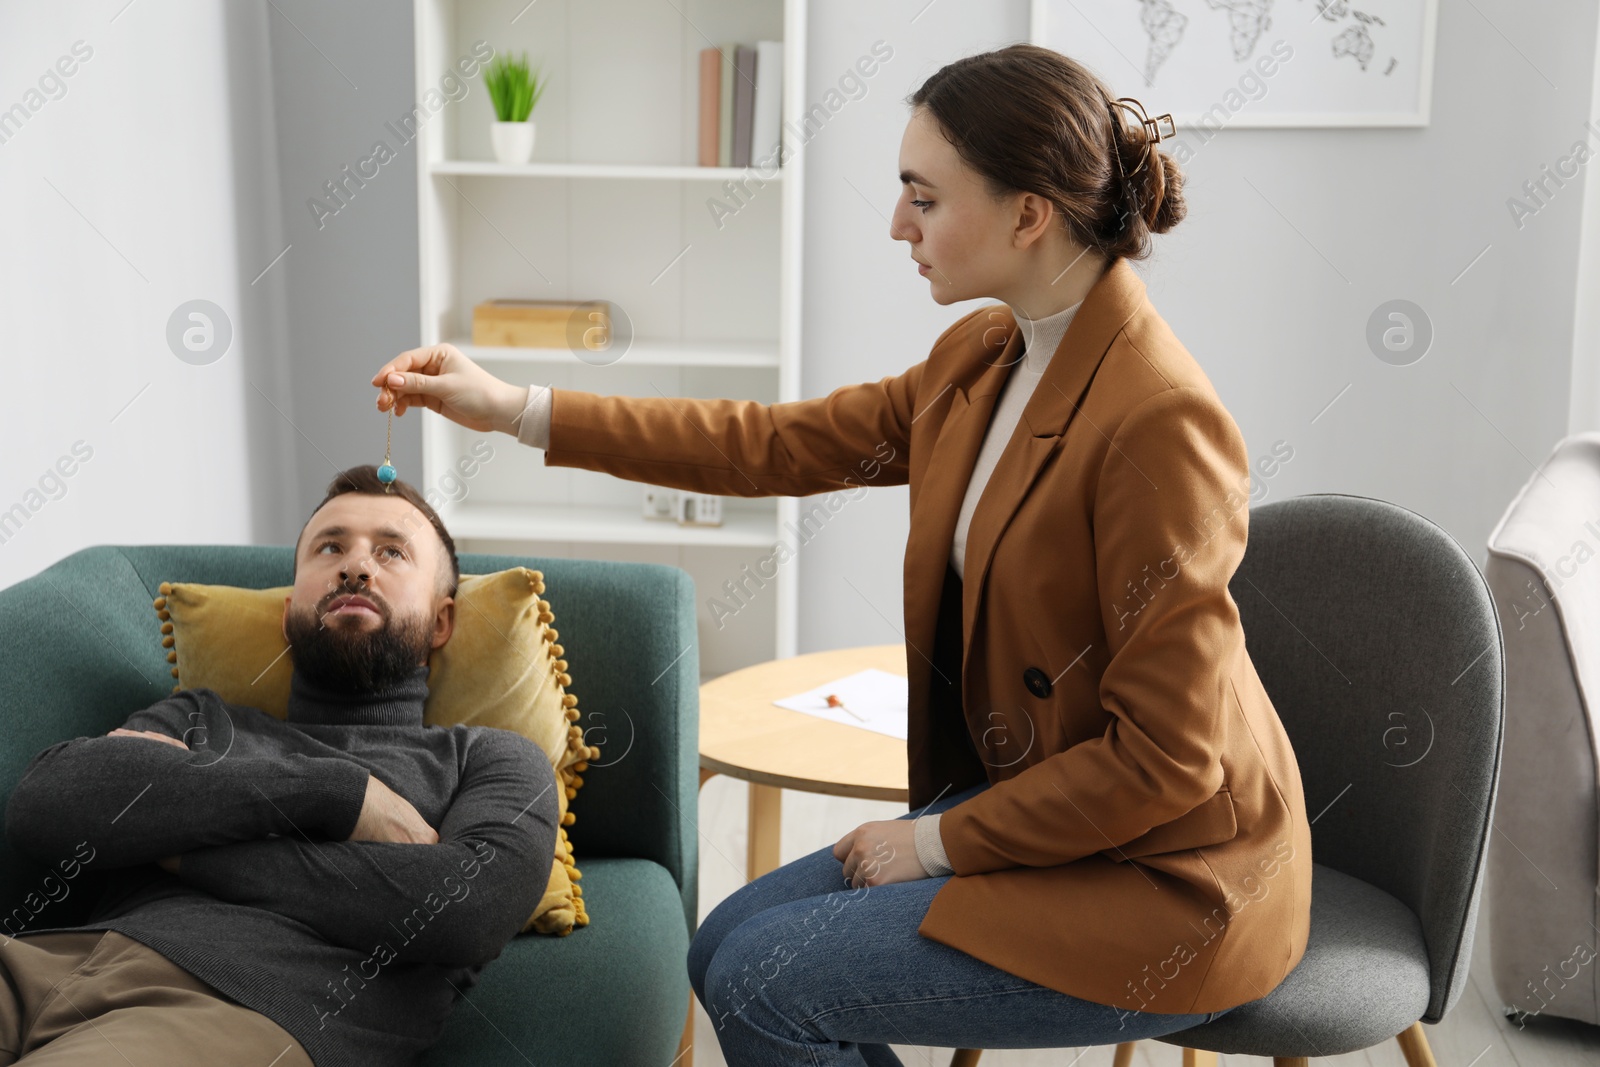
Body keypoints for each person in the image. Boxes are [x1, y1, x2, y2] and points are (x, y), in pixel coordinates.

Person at [369, 42, 1311, 1066]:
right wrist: (512, 408)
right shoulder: (983, 355)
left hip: (1166, 876)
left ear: (1028, 214)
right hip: (1043, 806)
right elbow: (770, 441)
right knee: (723, 944)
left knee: (763, 981)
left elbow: (1168, 762)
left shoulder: (1158, 421)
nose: (897, 224)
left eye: (922, 196)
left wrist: (935, 840)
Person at [1, 467, 560, 1067]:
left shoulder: (489, 759)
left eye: (392, 552)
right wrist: (338, 794)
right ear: (288, 609)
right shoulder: (202, 716)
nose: (355, 566)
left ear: (441, 620)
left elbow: (462, 913)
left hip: (235, 1014)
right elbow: (47, 805)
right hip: (43, 960)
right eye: (331, 547)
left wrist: (177, 844)